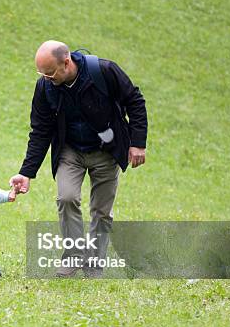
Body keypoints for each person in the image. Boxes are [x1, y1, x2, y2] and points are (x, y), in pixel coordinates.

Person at [9, 40, 148, 278]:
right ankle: (73, 256)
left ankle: (94, 264)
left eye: (50, 72)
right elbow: (40, 131)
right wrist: (26, 172)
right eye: (41, 73)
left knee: (101, 211)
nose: (45, 77)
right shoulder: (45, 87)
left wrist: (137, 143)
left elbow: (134, 101)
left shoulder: (103, 71)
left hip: (106, 150)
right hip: (70, 151)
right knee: (66, 197)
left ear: (66, 62)